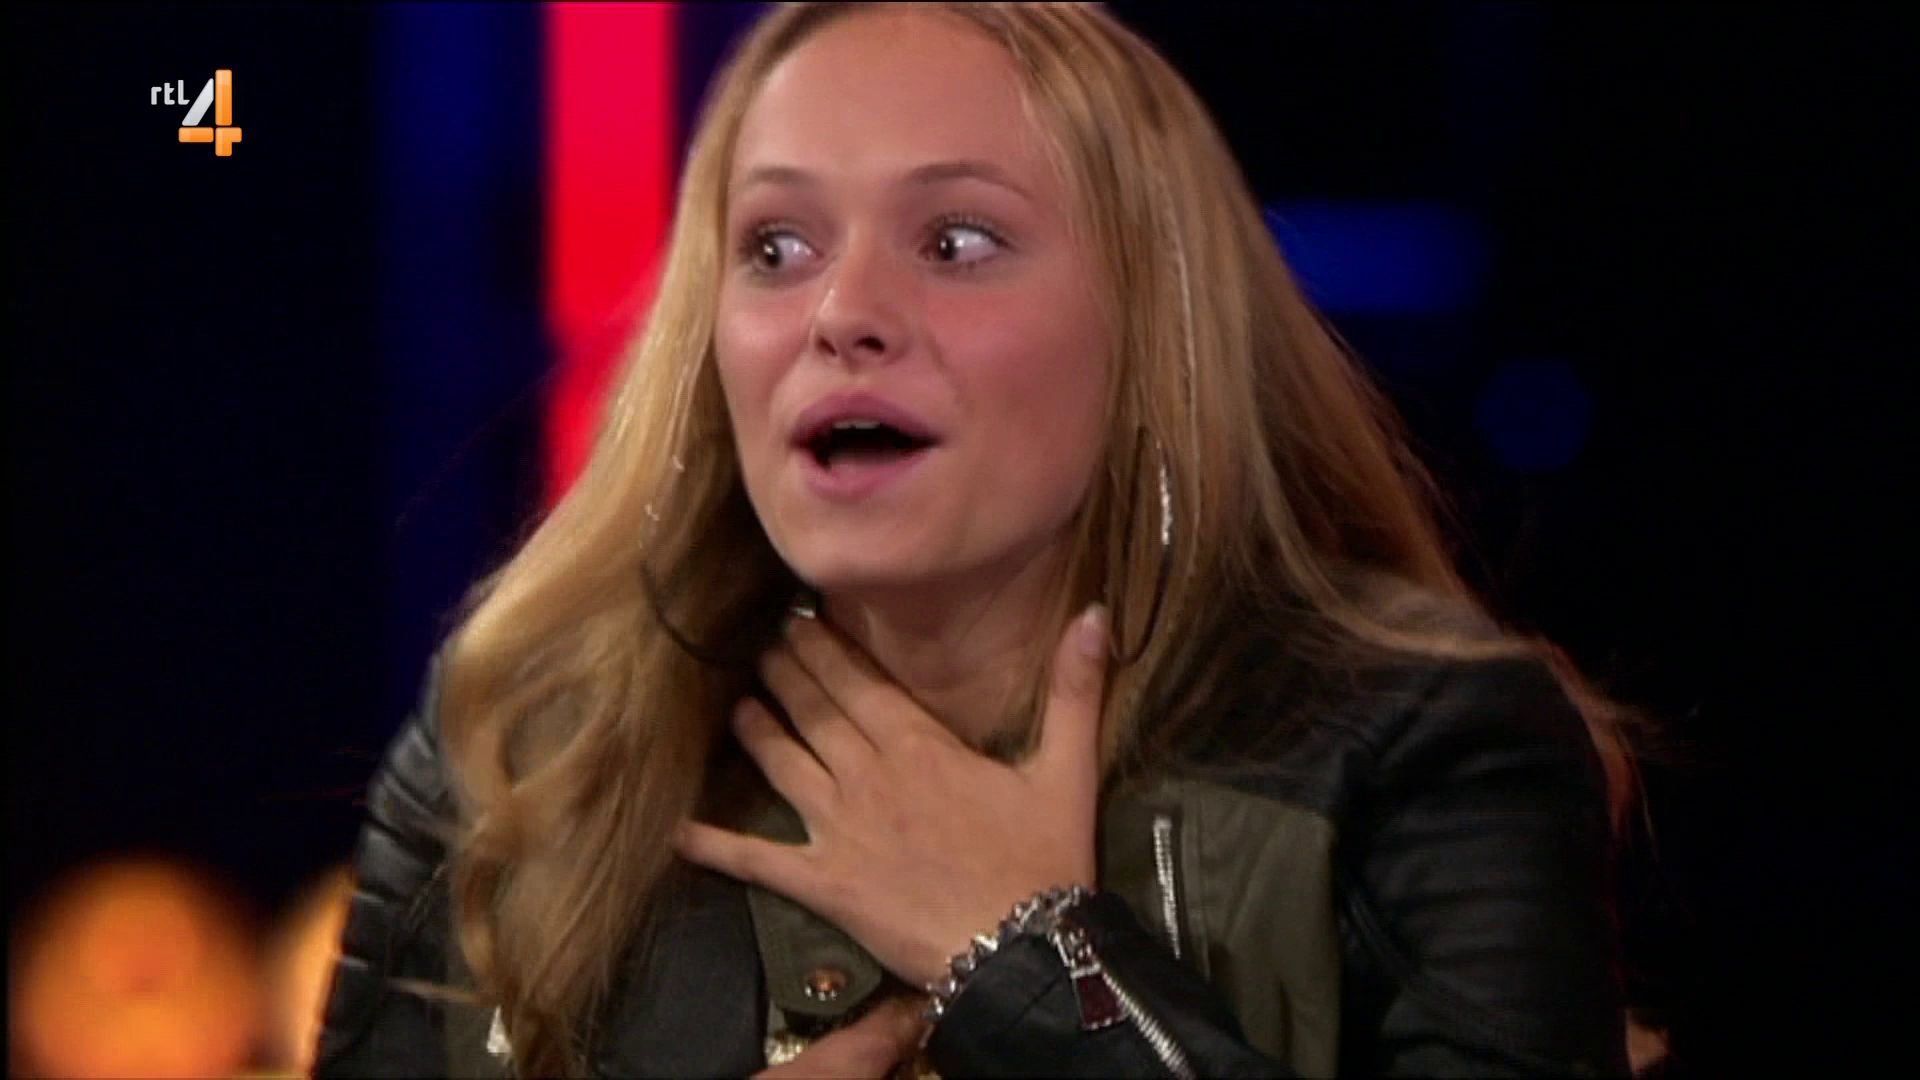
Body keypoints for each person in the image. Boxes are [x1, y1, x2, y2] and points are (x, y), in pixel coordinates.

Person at [314, 2, 1643, 1076]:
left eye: (955, 241)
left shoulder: (1426, 751)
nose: (842, 311)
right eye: (776, 246)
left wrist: (1032, 956)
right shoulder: (516, 745)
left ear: (1151, 330)